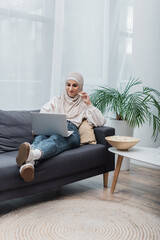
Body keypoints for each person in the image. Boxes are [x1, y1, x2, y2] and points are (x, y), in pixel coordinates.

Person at [16, 72, 106, 182]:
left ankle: (31, 154)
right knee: (40, 137)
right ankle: (29, 164)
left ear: (80, 86)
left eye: (74, 85)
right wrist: (40, 126)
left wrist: (89, 104)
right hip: (52, 128)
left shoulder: (83, 104)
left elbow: (101, 121)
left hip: (71, 132)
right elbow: (43, 113)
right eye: (68, 84)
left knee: (56, 139)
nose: (70, 89)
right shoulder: (56, 100)